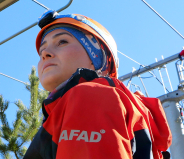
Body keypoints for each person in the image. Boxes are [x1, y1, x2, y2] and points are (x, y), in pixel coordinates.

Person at [24, 10, 172, 159]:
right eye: (42, 50)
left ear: (97, 58)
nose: (45, 53)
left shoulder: (88, 96)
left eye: (62, 41)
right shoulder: (83, 103)